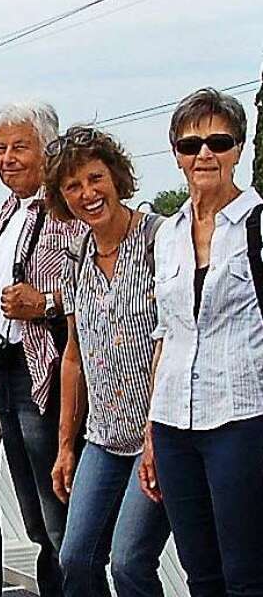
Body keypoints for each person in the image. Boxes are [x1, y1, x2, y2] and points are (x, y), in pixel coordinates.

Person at [141, 88, 263, 596]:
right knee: (200, 571)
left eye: (219, 141)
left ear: (239, 147)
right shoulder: (166, 234)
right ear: (176, 154)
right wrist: (151, 432)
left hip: (242, 417)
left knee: (247, 573)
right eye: (191, 145)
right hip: (174, 424)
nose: (204, 155)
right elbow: (166, 332)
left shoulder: (258, 224)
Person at [44, 127, 170, 597]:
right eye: (72, 187)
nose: (87, 194)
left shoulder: (161, 240)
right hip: (103, 437)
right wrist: (64, 446)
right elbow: (73, 357)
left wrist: (159, 437)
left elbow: (174, 342)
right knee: (75, 559)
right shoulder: (75, 257)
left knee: (131, 563)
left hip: (156, 437)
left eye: (95, 178)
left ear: (116, 178)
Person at [0, 102, 83, 597]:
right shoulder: (5, 213)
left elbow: (96, 287)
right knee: (36, 518)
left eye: (20, 146)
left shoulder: (65, 209)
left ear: (48, 149)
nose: (8, 158)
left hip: (51, 370)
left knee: (60, 514)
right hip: (10, 372)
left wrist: (46, 303)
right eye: (0, 148)